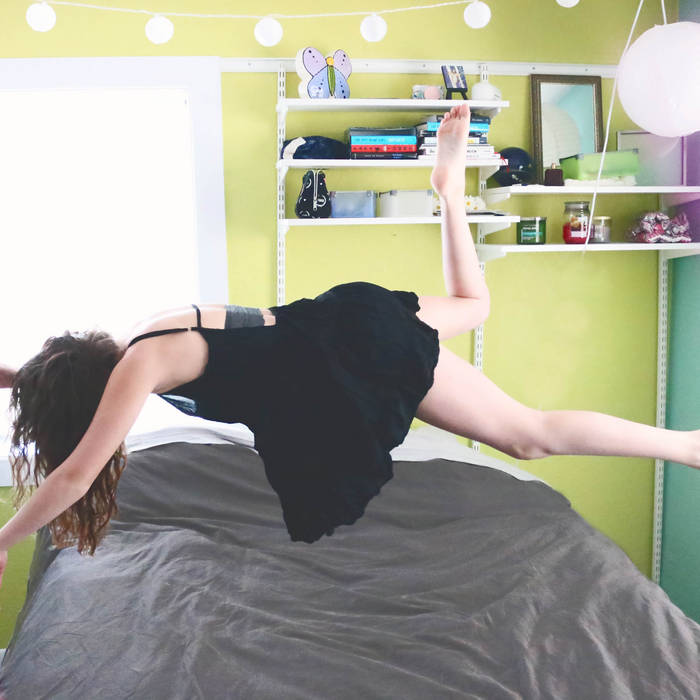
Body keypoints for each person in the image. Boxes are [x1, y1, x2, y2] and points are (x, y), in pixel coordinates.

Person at [1, 103, 698, 588]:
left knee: (528, 437)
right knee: (481, 316)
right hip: (343, 317)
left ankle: (688, 446)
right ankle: (449, 193)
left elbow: (75, 478)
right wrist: (17, 380)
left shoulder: (142, 365)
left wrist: (3, 541)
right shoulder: (144, 334)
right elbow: (40, 376)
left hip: (349, 358)